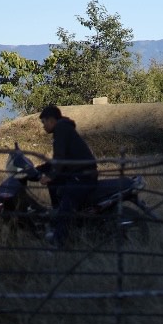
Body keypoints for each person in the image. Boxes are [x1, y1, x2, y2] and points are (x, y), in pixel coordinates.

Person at [38, 104, 98, 247]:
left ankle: (59, 242)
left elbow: (60, 158)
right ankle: (56, 219)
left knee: (67, 206)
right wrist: (39, 169)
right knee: (56, 186)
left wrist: (50, 176)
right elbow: (58, 160)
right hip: (78, 173)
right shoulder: (63, 128)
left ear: (51, 120)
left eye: (44, 122)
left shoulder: (61, 129)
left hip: (83, 176)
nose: (43, 126)